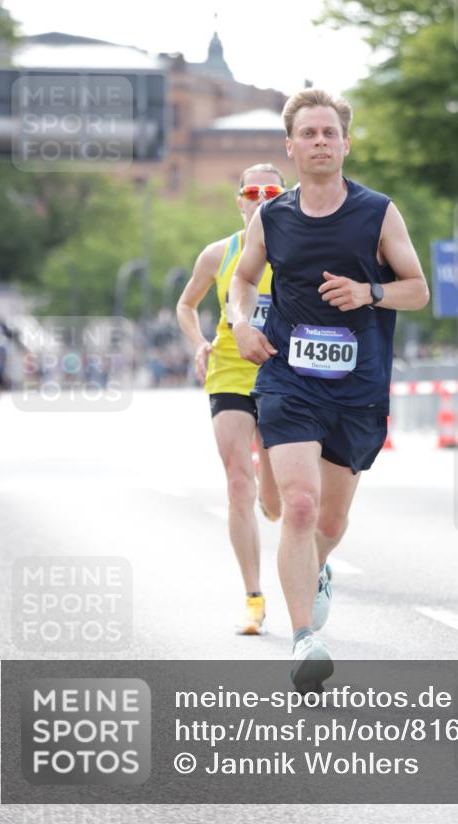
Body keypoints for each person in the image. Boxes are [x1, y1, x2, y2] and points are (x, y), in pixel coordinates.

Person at [229, 88, 429, 690]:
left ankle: (315, 569)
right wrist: (242, 321)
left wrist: (370, 292)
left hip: (358, 386)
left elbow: (417, 289)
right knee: (301, 504)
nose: (319, 142)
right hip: (289, 380)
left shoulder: (377, 213)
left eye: (329, 133)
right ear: (291, 146)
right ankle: (304, 639)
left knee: (332, 520)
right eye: (308, 133)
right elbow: (242, 278)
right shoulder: (273, 217)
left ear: (345, 143)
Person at [176, 164, 285, 635]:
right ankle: (253, 597)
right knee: (238, 483)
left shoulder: (301, 251)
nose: (261, 198)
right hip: (230, 371)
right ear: (239, 200)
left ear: (284, 198)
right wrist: (198, 342)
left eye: (272, 191)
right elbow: (185, 304)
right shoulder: (218, 254)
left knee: (278, 501)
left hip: (285, 372)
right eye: (252, 192)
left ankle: (273, 488)